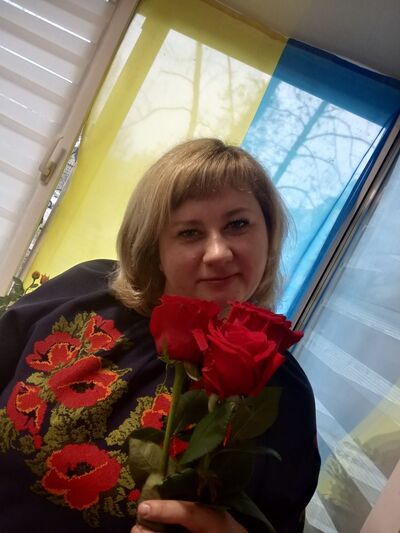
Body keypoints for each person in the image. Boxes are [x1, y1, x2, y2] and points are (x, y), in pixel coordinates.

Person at [0, 139, 320, 532]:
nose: (218, 253)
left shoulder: (282, 392)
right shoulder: (82, 292)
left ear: (269, 235)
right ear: (155, 247)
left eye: (238, 224)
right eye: (190, 232)